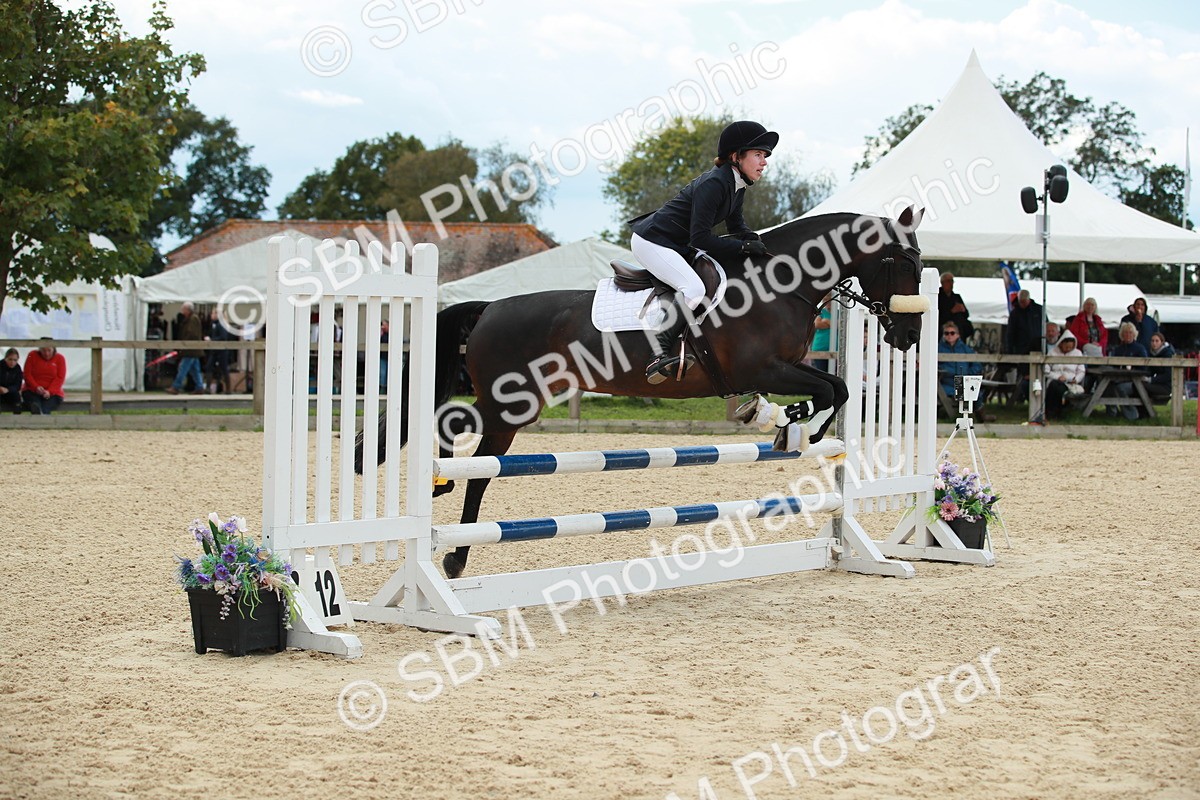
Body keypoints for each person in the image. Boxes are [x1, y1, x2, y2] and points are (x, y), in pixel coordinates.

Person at [629, 119, 777, 383]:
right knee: (694, 289)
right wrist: (743, 246)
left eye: (765, 156)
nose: (764, 162)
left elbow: (737, 227)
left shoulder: (736, 184)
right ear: (736, 156)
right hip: (652, 241)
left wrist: (759, 242)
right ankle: (658, 354)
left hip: (675, 243)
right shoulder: (715, 183)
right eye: (758, 154)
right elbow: (701, 238)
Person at [1106, 321, 1149, 420]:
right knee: (1107, 386)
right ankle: (1112, 413)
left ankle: (1131, 414)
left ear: (1134, 334)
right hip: (1119, 378)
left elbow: (1144, 368)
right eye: (1125, 333)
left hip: (1135, 380)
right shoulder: (1118, 349)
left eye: (1130, 332)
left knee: (1120, 388)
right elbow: (1113, 366)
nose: (1128, 335)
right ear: (1122, 335)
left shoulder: (1140, 349)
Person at [1043, 329, 1085, 420]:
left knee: (1060, 388)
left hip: (1070, 383)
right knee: (1055, 386)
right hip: (1054, 380)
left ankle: (1055, 412)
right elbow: (1046, 370)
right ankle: (1051, 412)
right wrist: (1057, 377)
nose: (1068, 349)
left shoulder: (1078, 353)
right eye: (1066, 347)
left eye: (1070, 347)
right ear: (1061, 343)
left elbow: (1081, 371)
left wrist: (1076, 379)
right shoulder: (1052, 352)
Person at [937, 320, 982, 400]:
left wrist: (968, 373)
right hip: (945, 383)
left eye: (952, 333)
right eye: (946, 333)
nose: (949, 335)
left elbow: (977, 365)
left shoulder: (966, 349)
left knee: (977, 396)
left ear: (958, 335)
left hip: (964, 382)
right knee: (950, 394)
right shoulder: (938, 349)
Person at [167, 301, 205, 395]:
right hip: (192, 349)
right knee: (195, 370)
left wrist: (184, 343)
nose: (182, 311)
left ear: (187, 310)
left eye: (183, 309)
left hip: (190, 349)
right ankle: (199, 387)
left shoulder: (193, 319)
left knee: (183, 368)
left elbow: (192, 334)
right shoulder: (190, 319)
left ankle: (176, 386)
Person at [20, 341, 67, 414]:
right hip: (32, 390)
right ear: (39, 349)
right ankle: (39, 413)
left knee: (45, 408)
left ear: (54, 349)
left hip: (53, 393)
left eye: (49, 350)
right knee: (35, 404)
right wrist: (36, 387)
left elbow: (60, 378)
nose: (46, 353)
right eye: (43, 350)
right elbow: (27, 374)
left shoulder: (60, 358)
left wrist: (49, 391)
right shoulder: (32, 355)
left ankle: (41, 415)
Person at [937, 272, 974, 341]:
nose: (951, 283)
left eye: (952, 281)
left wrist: (963, 310)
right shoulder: (937, 297)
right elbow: (938, 316)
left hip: (959, 331)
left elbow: (966, 315)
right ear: (942, 283)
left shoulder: (957, 297)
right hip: (943, 332)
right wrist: (952, 311)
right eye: (948, 281)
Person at [1006, 289, 1042, 356]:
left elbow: (1046, 325)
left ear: (1029, 300)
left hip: (1037, 347)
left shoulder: (1039, 310)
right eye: (1020, 302)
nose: (1022, 304)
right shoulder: (1014, 313)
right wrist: (1009, 350)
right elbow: (1010, 332)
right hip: (1020, 348)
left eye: (1024, 302)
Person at [205, 309, 232, 394]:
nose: (211, 315)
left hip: (221, 351)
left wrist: (211, 340)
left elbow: (223, 337)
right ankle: (208, 387)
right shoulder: (215, 324)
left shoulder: (221, 324)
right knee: (210, 367)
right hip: (215, 351)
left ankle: (228, 389)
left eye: (213, 313)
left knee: (223, 369)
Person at [1147, 332, 1176, 400]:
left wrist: (1151, 380)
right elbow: (1151, 371)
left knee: (1140, 387)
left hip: (1166, 386)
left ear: (1162, 342)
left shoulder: (1168, 354)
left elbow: (1168, 375)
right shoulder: (1151, 354)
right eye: (1152, 341)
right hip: (1157, 383)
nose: (1154, 343)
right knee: (1138, 386)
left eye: (1157, 341)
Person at [809, 301, 832, 373]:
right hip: (820, 348)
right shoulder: (821, 312)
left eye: (829, 301)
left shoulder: (838, 312)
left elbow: (840, 325)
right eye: (825, 301)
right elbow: (817, 324)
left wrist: (826, 321)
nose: (827, 304)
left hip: (836, 349)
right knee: (821, 373)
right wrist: (832, 324)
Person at [1, 348, 23, 413]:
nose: (12, 362)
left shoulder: (18, 369)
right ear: (5, 358)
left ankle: (17, 417)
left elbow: (18, 385)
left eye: (15, 360)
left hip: (10, 392)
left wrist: (8, 389)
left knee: (16, 397)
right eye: (10, 359)